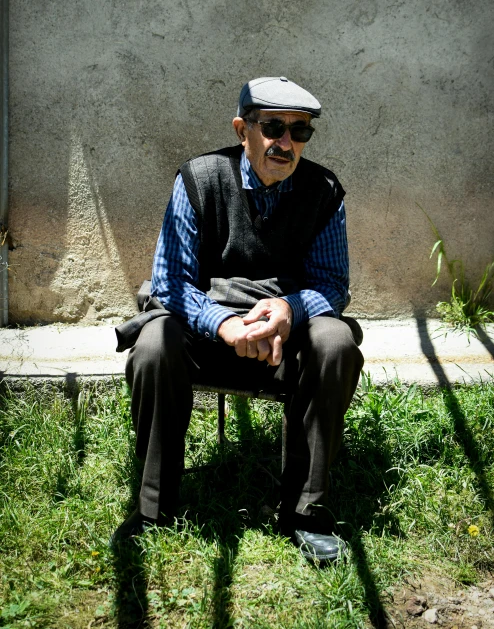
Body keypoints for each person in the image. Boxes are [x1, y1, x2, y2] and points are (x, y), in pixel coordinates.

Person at [114, 76, 364, 563]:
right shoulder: (198, 179)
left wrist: (289, 310)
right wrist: (224, 325)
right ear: (242, 129)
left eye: (300, 131)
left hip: (283, 341)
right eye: (273, 127)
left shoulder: (324, 190)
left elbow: (333, 284)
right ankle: (152, 508)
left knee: (335, 342)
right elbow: (169, 283)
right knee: (152, 344)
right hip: (205, 339)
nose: (286, 143)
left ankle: (305, 512)